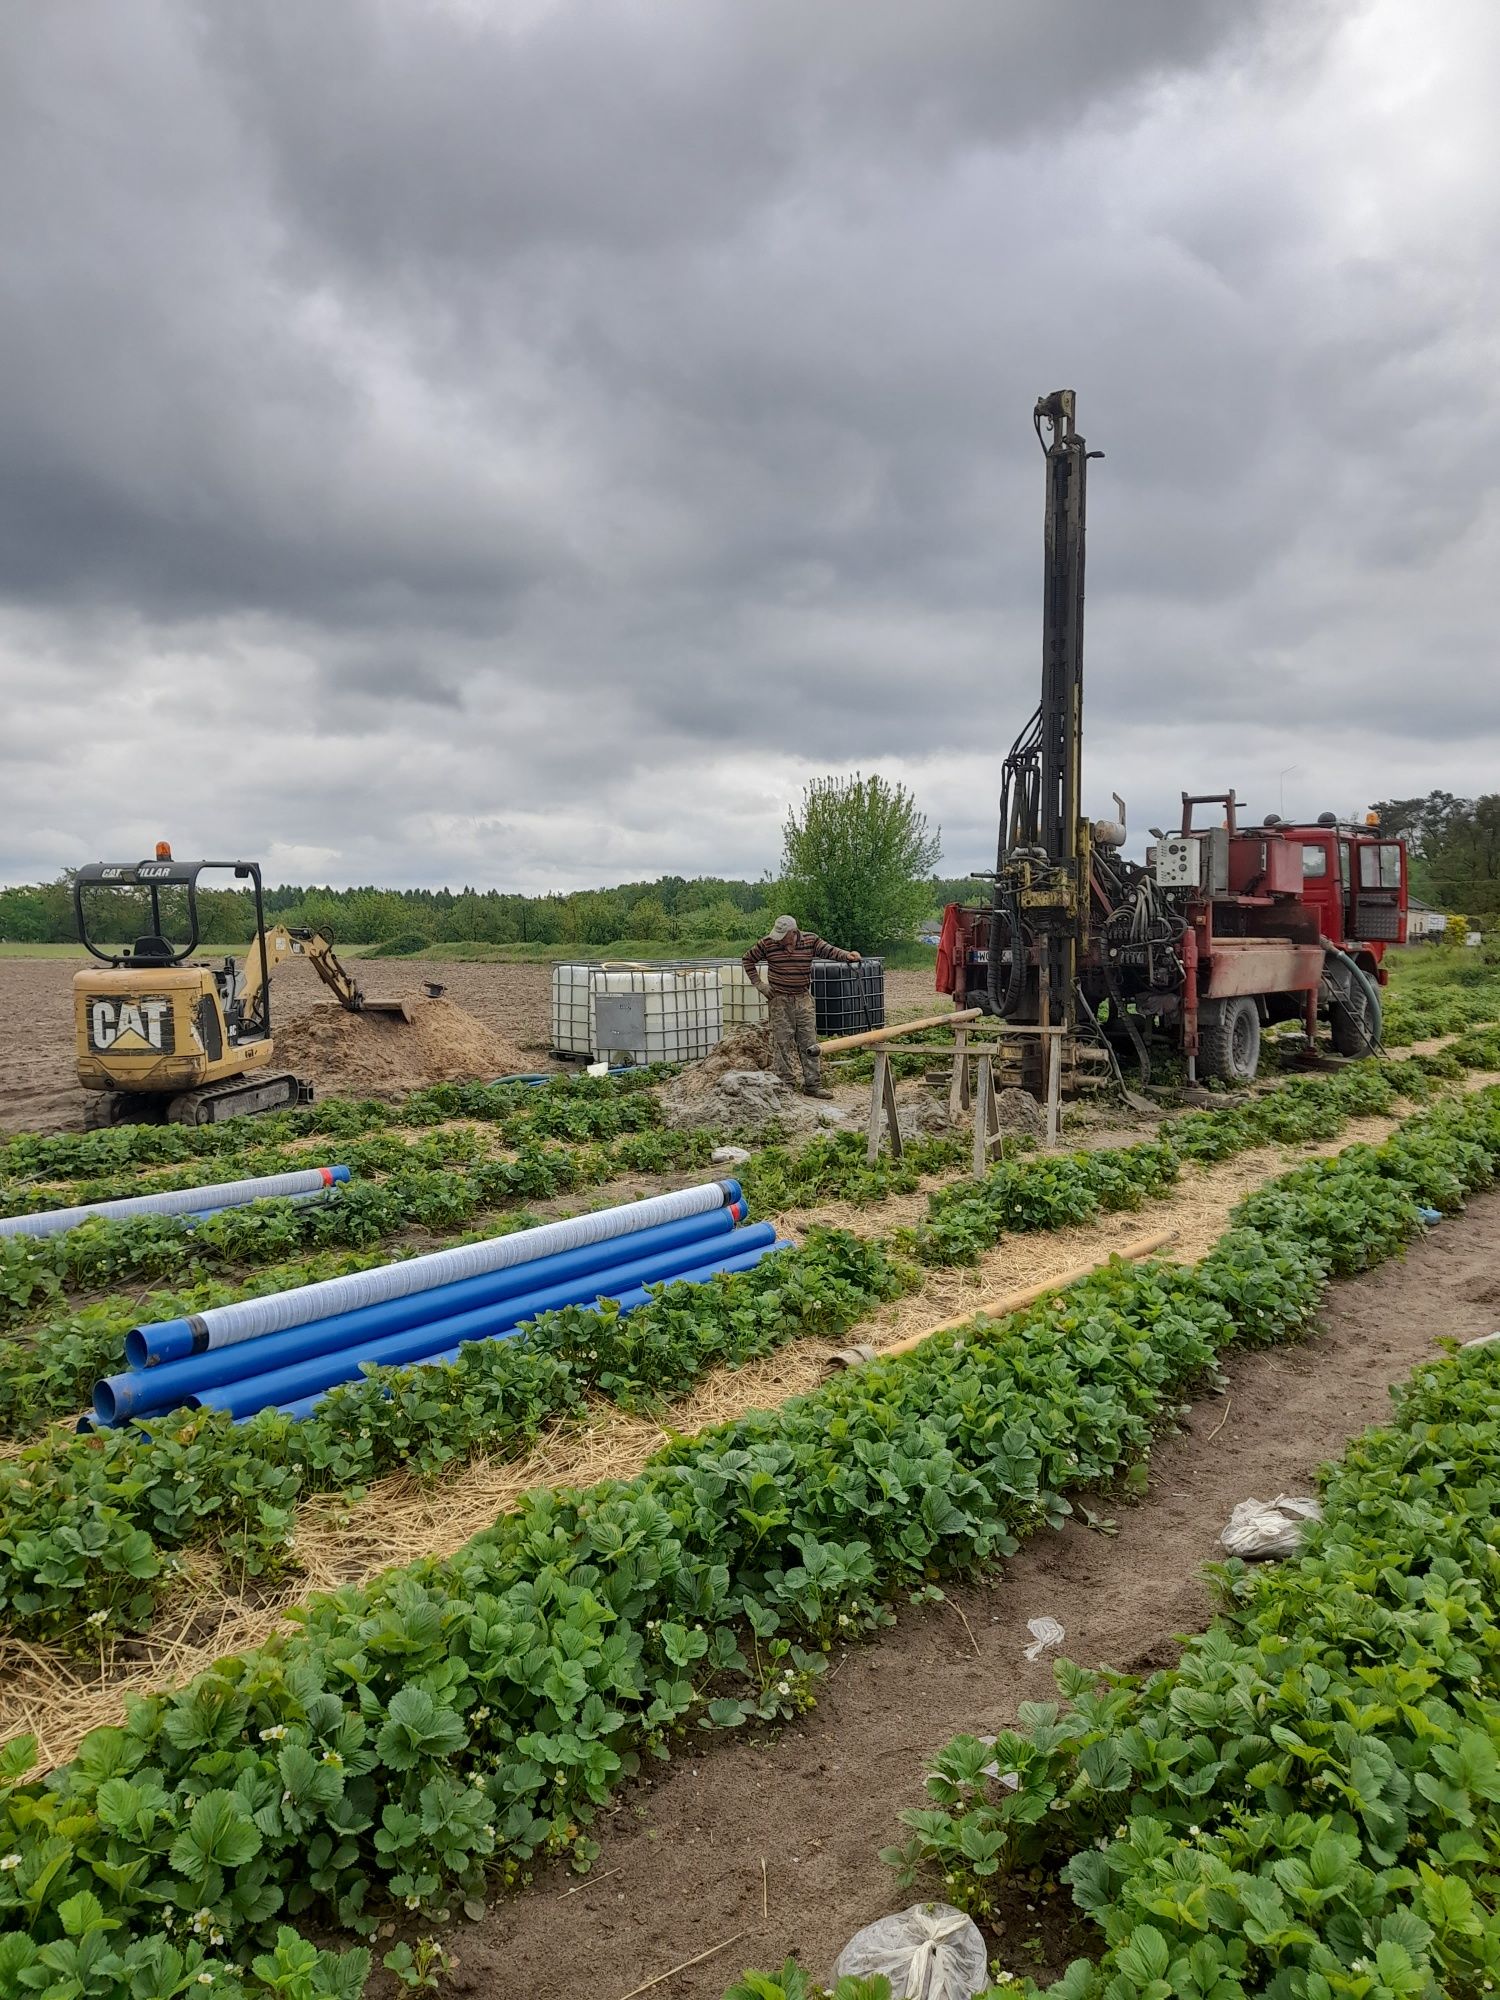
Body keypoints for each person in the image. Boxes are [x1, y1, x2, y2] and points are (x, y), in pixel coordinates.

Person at [742, 915, 861, 1098]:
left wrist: (847, 955)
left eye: (783, 935)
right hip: (779, 999)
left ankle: (813, 1085)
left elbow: (829, 951)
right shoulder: (767, 943)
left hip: (803, 998)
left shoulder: (810, 940)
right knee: (781, 1043)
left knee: (809, 1041)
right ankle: (785, 1084)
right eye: (778, 935)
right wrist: (760, 985)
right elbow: (748, 960)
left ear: (793, 933)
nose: (779, 939)